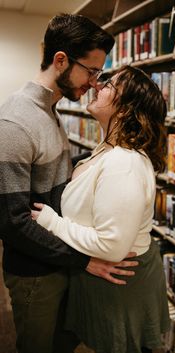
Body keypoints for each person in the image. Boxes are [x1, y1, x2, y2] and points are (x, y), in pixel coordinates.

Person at [0, 14, 138, 353]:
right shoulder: (16, 123)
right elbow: (11, 221)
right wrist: (84, 260)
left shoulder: (49, 110)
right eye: (90, 71)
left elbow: (50, 176)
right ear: (60, 60)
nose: (94, 83)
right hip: (36, 274)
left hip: (58, 262)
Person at [32, 65, 171, 353]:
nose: (97, 85)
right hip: (102, 279)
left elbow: (111, 246)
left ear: (126, 107)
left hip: (120, 281)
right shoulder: (106, 149)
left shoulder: (124, 164)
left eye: (109, 84)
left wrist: (53, 222)